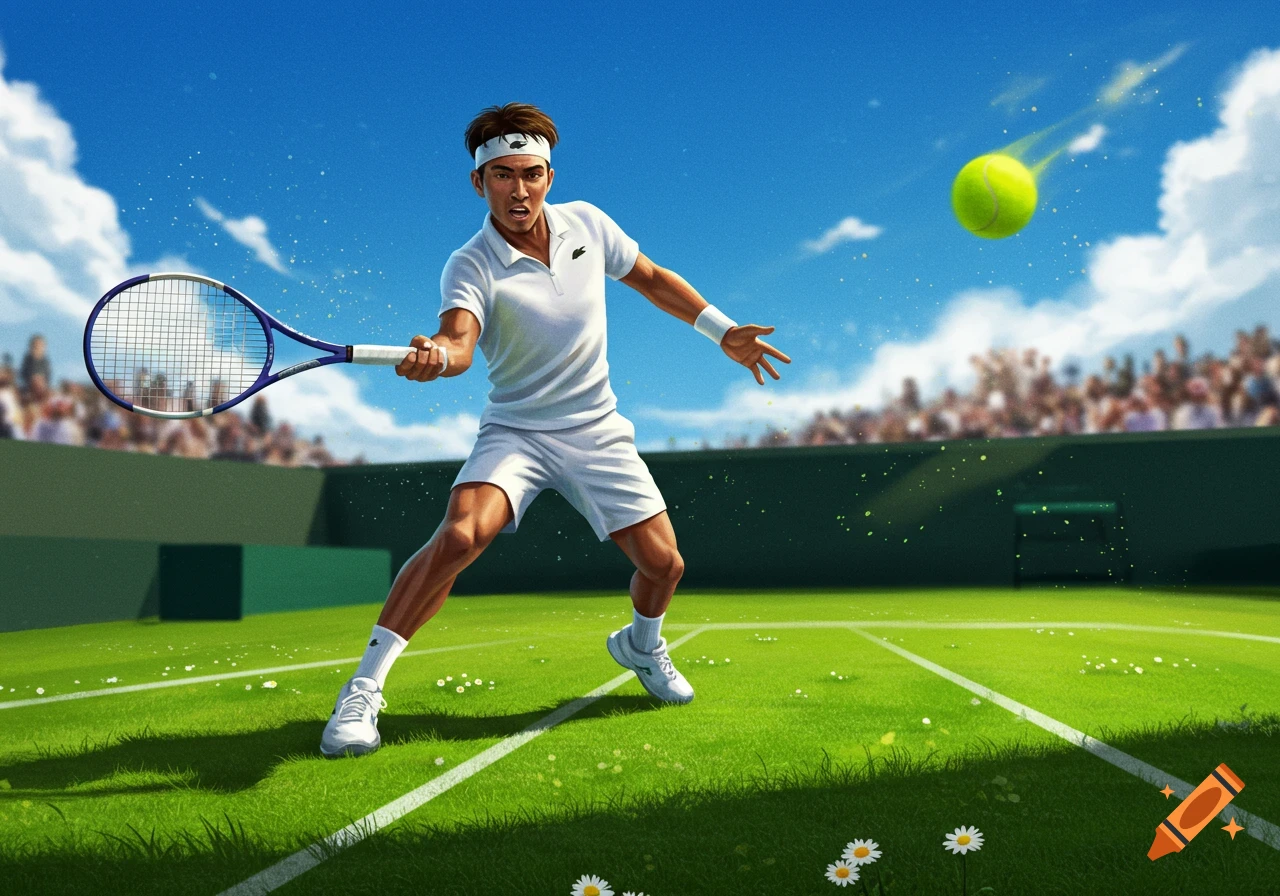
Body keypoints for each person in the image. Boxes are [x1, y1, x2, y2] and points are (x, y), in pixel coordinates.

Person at [321, 103, 791, 758]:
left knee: (665, 565)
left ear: (549, 174)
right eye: (504, 175)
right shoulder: (470, 264)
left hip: (596, 428)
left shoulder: (588, 225)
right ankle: (363, 691)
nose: (519, 190)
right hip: (517, 430)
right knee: (459, 536)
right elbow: (459, 343)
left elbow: (651, 279)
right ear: (479, 183)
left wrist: (722, 331)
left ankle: (640, 646)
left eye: (532, 174)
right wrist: (435, 357)